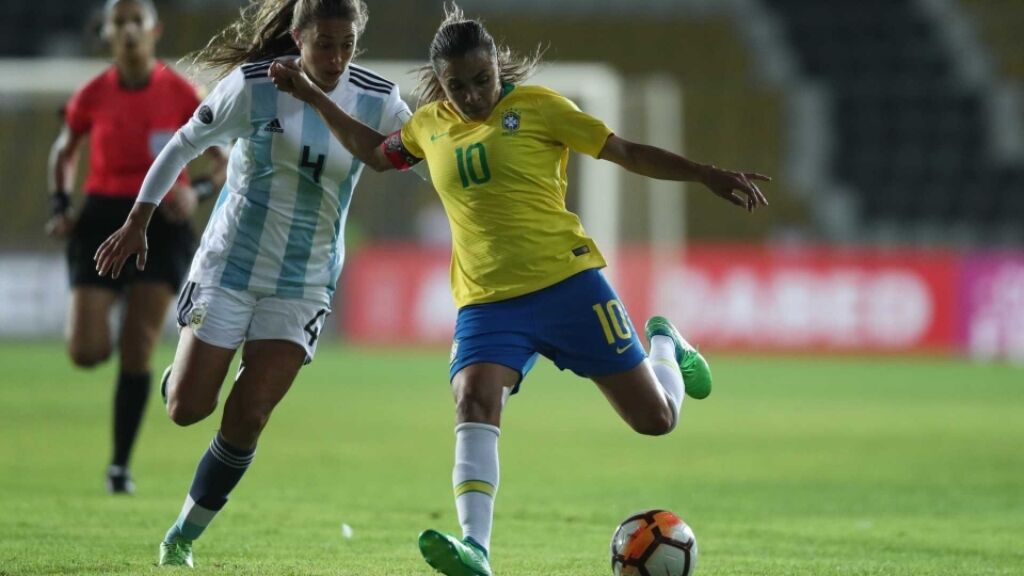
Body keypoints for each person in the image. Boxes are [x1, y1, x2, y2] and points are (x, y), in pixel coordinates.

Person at [270, 4, 769, 575]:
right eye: (458, 86)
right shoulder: (429, 125)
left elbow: (626, 152)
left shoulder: (541, 108)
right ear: (442, 84)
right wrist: (313, 96)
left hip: (569, 285)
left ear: (497, 68)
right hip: (488, 301)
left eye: (482, 80)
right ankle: (476, 549)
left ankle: (663, 344)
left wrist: (706, 173)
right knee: (473, 398)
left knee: (655, 421)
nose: (473, 94)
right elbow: (374, 155)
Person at [93, 0, 412, 567]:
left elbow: (405, 158)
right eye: (324, 45)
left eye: (347, 45)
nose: (336, 58)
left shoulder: (379, 100)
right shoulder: (252, 86)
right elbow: (183, 145)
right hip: (230, 265)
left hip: (306, 280)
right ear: (297, 37)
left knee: (251, 413)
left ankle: (183, 535)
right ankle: (183, 377)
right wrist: (137, 220)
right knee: (188, 408)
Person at [46, 0, 226, 496]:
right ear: (106, 33)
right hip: (104, 216)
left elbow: (222, 160)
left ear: (154, 31)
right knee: (86, 351)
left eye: (136, 22)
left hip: (162, 218)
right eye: (118, 23)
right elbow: (64, 149)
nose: (127, 31)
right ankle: (113, 311)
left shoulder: (180, 92)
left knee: (138, 347)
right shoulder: (92, 94)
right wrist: (61, 203)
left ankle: (119, 467)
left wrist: (198, 193)